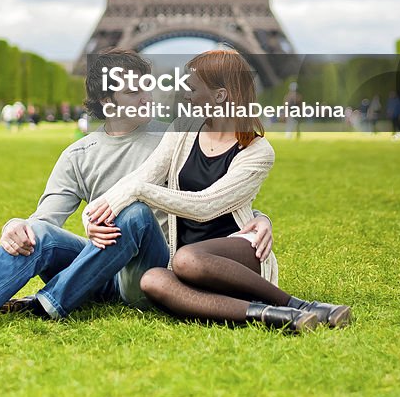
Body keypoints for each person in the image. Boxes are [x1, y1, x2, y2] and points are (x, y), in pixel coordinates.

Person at [0, 47, 274, 329]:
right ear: (108, 101)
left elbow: (216, 189)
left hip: (151, 270)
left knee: (135, 214)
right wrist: (15, 224)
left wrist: (258, 217)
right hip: (96, 269)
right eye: (134, 90)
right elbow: (46, 220)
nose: (148, 96)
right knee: (37, 233)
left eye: (148, 86)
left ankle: (46, 304)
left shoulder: (173, 137)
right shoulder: (78, 154)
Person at [83, 50, 352, 334]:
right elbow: (141, 176)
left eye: (192, 88)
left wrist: (140, 192)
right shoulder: (183, 130)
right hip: (185, 261)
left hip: (236, 252)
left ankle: (298, 304)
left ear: (220, 95)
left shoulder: (257, 151)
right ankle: (270, 315)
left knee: (188, 259)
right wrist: (92, 216)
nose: (186, 96)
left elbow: (206, 206)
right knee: (152, 280)